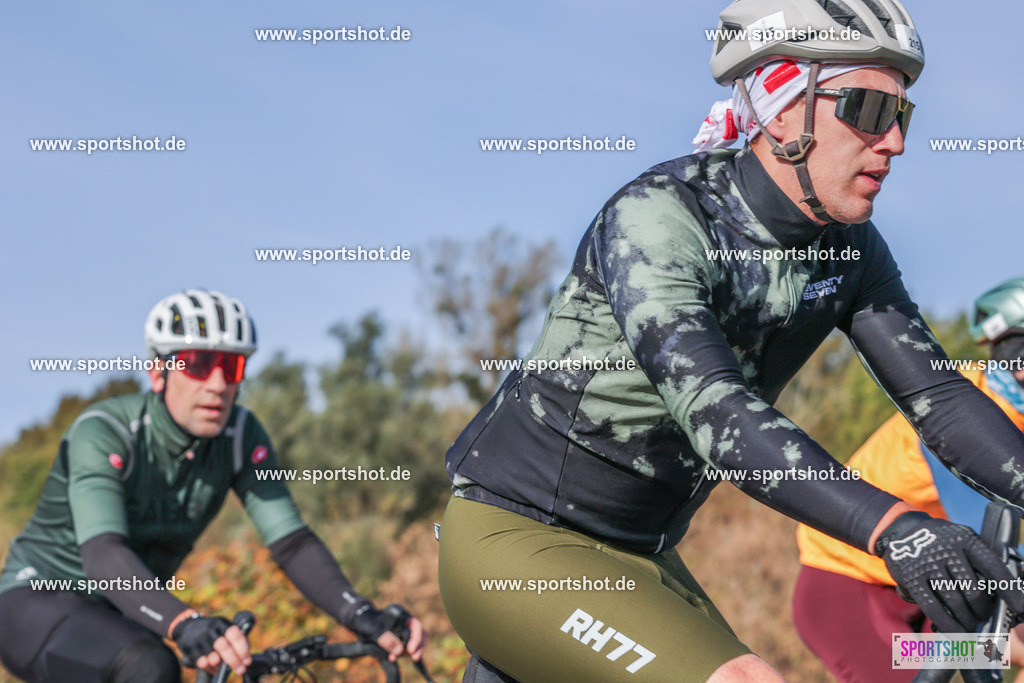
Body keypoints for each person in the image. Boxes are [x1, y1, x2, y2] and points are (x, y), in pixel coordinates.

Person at [437, 1, 1024, 681]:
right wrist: (895, 527)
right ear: (782, 111)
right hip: (518, 533)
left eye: (902, 115)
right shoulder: (660, 219)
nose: (892, 141)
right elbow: (719, 413)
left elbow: (941, 396)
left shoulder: (851, 252)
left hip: (645, 555)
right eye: (866, 109)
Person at [0, 289, 426, 682]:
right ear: (158, 372)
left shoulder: (240, 437)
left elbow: (292, 543)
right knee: (148, 665)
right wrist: (182, 622)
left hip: (120, 616)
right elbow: (102, 553)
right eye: (199, 364)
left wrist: (360, 613)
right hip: (36, 599)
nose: (218, 384)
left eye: (232, 366)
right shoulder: (107, 432)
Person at [793, 277, 1024, 682]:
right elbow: (981, 525)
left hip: (934, 586)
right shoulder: (965, 403)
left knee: (1006, 656)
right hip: (852, 585)